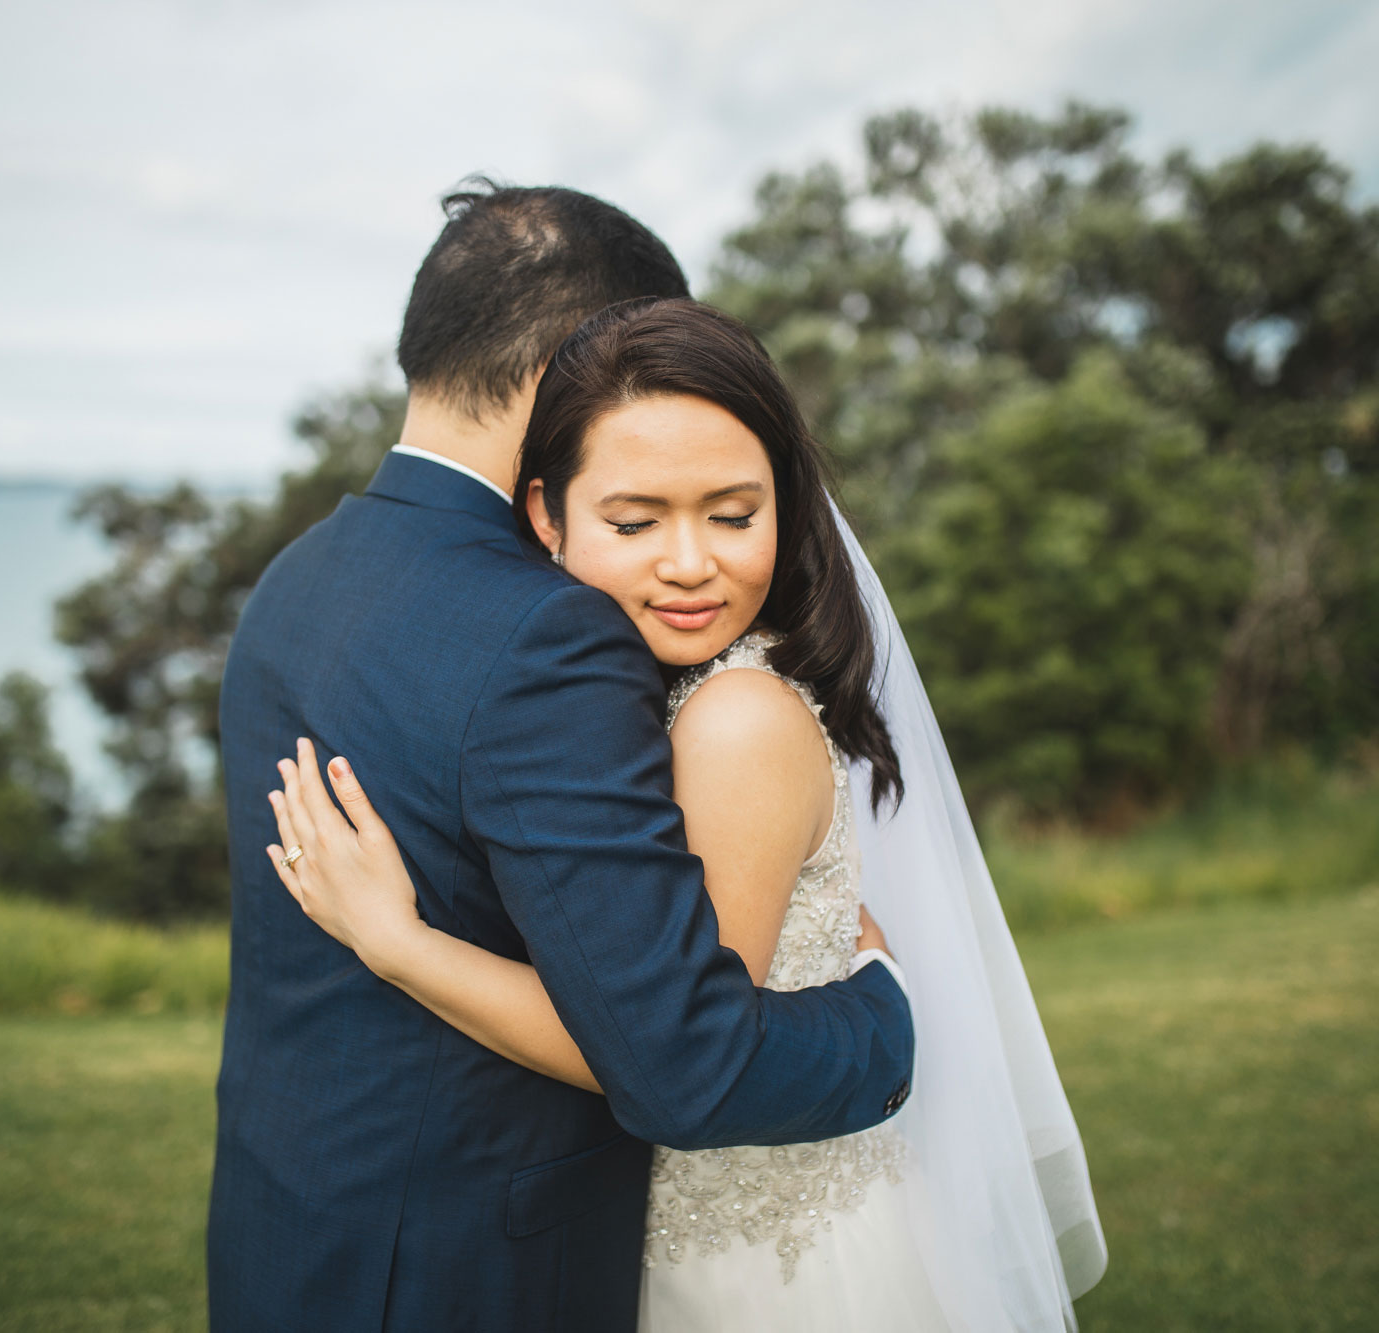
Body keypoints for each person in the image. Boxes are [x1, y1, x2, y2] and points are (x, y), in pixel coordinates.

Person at [267, 298, 1108, 1330]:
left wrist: (397, 941)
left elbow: (662, 1052)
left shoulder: (736, 718)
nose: (687, 562)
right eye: (634, 521)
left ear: (785, 510)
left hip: (765, 1273)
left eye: (732, 514)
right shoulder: (648, 688)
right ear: (545, 515)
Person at [206, 187, 917, 1333]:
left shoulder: (296, 580)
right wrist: (882, 1021)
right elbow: (686, 1061)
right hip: (470, 1271)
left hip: (288, 1229)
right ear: (575, 370)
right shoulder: (547, 629)